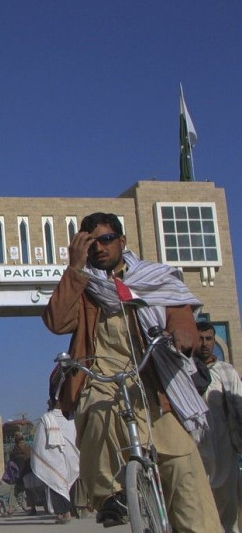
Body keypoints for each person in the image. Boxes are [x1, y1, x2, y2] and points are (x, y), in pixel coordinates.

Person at [43, 211, 220, 532]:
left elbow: (178, 307)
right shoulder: (85, 288)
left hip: (156, 383)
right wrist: (74, 268)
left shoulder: (155, 276)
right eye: (90, 242)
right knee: (94, 413)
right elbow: (56, 322)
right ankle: (109, 497)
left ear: (122, 241)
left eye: (107, 239)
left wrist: (181, 330)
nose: (100, 247)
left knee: (181, 469)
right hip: (106, 378)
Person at [195, 321, 242, 532]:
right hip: (198, 451)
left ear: (215, 341)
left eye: (209, 339)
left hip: (225, 450)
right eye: (200, 339)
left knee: (229, 514)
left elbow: (239, 406)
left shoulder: (226, 370)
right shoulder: (185, 370)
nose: (205, 344)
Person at [30, 370, 80, 525]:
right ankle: (65, 512)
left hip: (65, 457)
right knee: (57, 482)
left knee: (62, 483)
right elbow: (40, 442)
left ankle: (66, 512)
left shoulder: (65, 418)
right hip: (55, 457)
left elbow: (38, 444)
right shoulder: (51, 419)